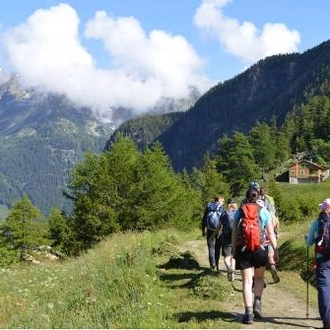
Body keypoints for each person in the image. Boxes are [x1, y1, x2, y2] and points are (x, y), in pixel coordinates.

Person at [232, 187, 279, 324]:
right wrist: (275, 250)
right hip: (261, 249)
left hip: (244, 249)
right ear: (258, 197)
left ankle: (248, 313)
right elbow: (270, 233)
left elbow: (235, 233)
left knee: (247, 281)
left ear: (246, 197)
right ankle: (257, 302)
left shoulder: (240, 211)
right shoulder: (263, 211)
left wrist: (234, 249)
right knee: (259, 279)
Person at [305, 199, 330, 329]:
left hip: (322, 259)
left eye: (323, 207)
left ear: (325, 209)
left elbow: (309, 242)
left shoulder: (317, 222)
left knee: (324, 288)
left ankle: (327, 321)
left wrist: (307, 238)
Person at [260, 186, 280, 283]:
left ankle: (261, 278)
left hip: (261, 234)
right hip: (271, 233)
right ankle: (273, 270)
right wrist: (277, 231)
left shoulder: (258, 203)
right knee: (270, 255)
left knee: (260, 258)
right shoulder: (271, 201)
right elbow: (276, 219)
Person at [215, 197, 237, 281]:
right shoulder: (238, 213)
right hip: (235, 237)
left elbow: (219, 226)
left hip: (226, 237)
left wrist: (214, 235)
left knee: (226, 257)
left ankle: (228, 269)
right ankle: (233, 275)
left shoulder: (224, 214)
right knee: (233, 257)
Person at [201, 195, 225, 271]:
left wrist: (203, 230)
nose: (223, 202)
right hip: (219, 230)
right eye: (223, 201)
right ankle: (217, 265)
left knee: (210, 247)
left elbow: (204, 219)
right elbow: (224, 220)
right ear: (219, 200)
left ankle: (212, 264)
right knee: (218, 248)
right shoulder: (221, 208)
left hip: (209, 229)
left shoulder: (209, 207)